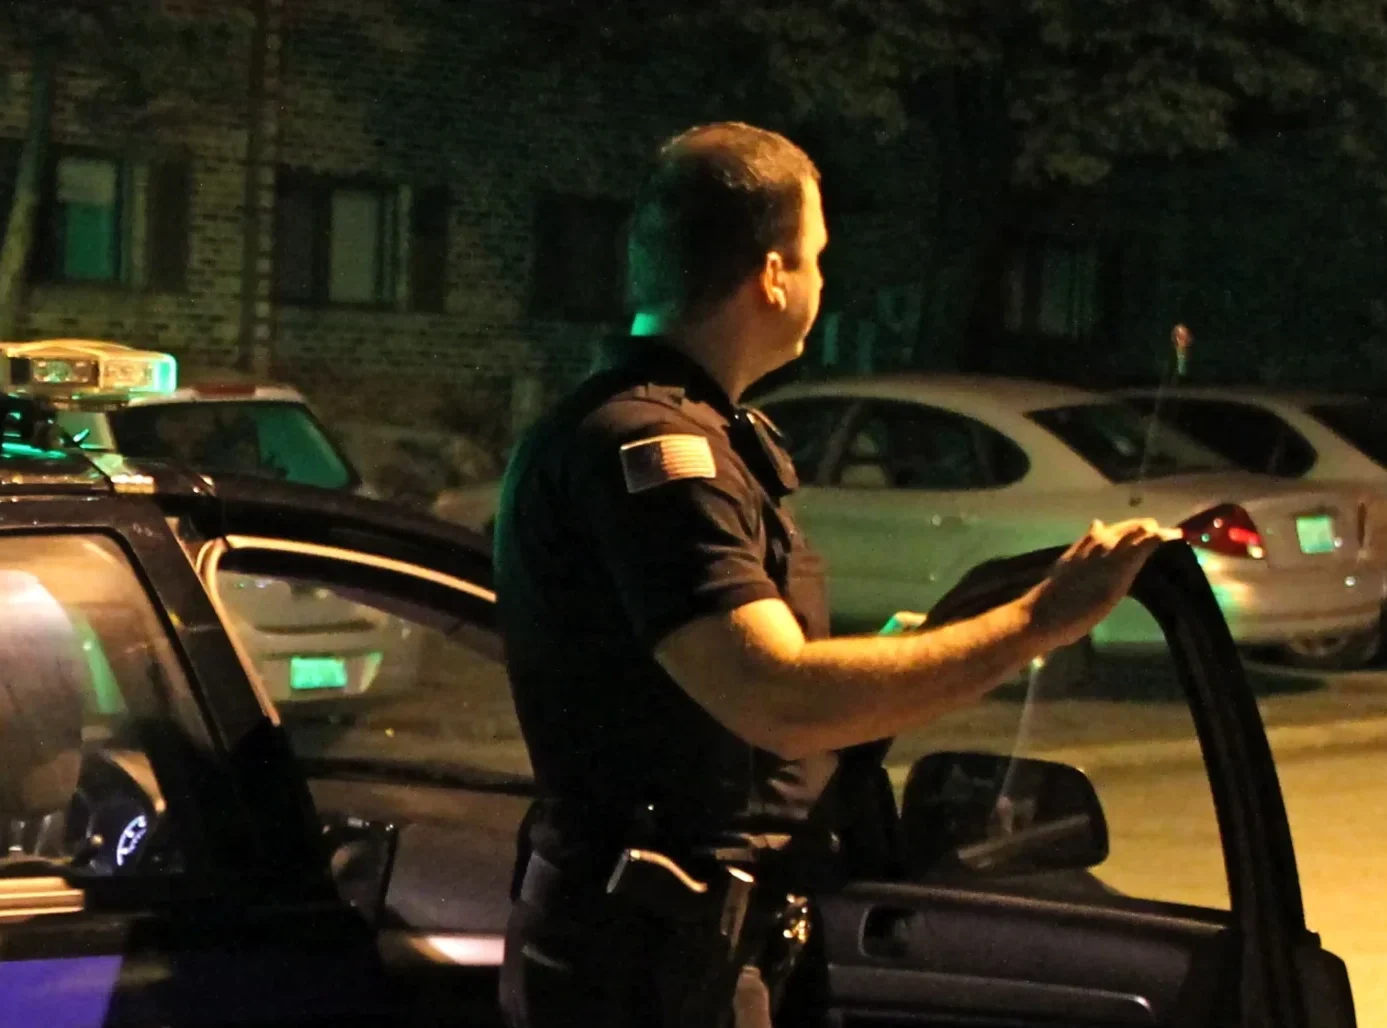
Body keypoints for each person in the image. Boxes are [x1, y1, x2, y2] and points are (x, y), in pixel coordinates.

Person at [493, 121, 1179, 1028]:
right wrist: (1039, 621)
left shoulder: (682, 432)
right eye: (816, 256)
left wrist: (890, 667)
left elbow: (713, 709)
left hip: (681, 948)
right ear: (773, 276)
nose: (823, 280)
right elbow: (771, 693)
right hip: (655, 966)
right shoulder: (654, 452)